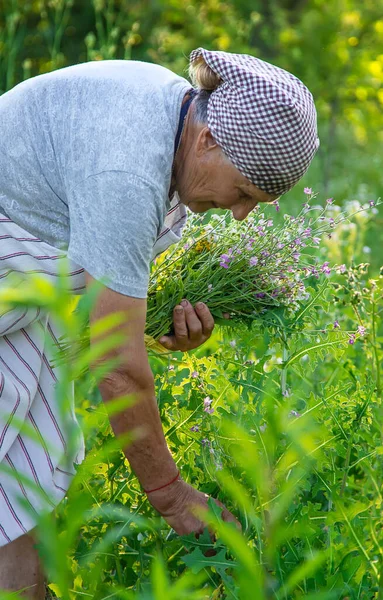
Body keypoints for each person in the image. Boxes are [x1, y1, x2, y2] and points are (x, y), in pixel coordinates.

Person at [0, 47, 319, 597]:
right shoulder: (128, 167)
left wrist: (156, 315)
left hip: (21, 303)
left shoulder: (173, 108)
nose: (240, 213)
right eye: (243, 192)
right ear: (209, 141)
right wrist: (170, 494)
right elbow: (115, 369)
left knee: (17, 479)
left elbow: (100, 266)